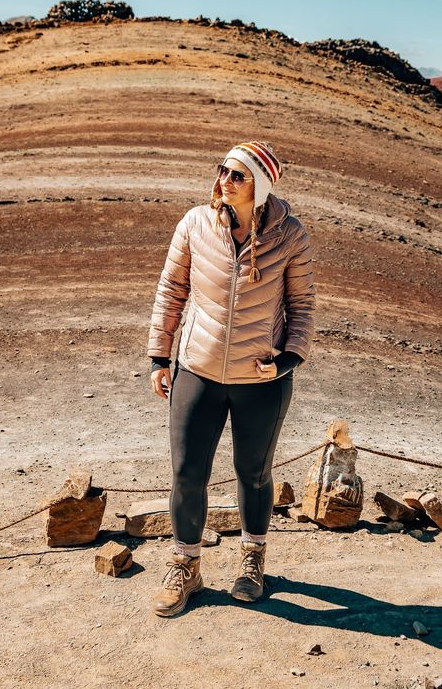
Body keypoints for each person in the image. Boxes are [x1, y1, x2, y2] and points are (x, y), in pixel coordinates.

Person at [147, 140, 316, 617]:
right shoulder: (195, 224)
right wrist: (160, 357)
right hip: (197, 370)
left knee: (254, 473)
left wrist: (289, 359)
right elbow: (171, 290)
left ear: (259, 185)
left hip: (261, 379)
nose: (225, 180)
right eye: (223, 169)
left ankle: (252, 560)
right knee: (187, 473)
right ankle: (186, 565)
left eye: (238, 175)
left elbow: (302, 305)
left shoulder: (291, 235)